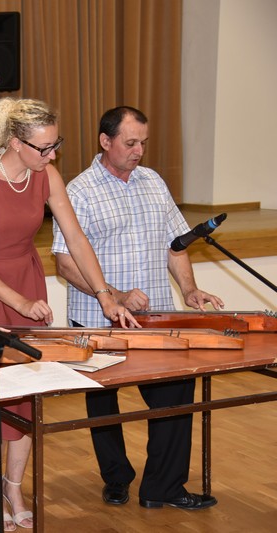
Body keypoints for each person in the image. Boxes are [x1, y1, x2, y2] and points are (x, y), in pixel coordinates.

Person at [0, 97, 132, 531]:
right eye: (44, 148)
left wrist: (104, 294)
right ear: (14, 142)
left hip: (27, 282)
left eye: (55, 145)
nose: (52, 155)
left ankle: (14, 486)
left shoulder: (46, 175)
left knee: (28, 396)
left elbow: (76, 237)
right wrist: (19, 303)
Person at [52, 105, 223, 510]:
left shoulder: (153, 181)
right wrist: (115, 295)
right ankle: (116, 477)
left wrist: (189, 289)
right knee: (103, 403)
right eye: (130, 143)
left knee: (177, 393)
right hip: (99, 318)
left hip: (156, 316)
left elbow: (175, 244)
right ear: (105, 141)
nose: (138, 151)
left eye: (143, 143)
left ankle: (162, 487)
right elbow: (65, 263)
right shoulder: (79, 190)